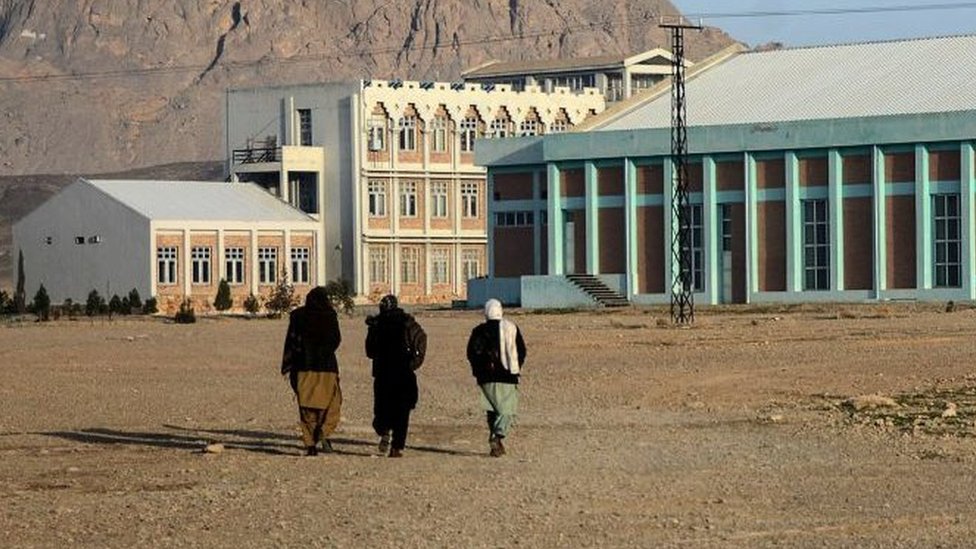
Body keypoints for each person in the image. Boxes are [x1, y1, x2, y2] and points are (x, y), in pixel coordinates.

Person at [281, 286, 343, 456]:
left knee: (307, 407)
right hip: (326, 367)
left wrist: (288, 365)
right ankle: (324, 431)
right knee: (331, 403)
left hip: (303, 368)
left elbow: (291, 342)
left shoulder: (298, 316)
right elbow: (336, 340)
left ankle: (310, 445)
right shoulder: (329, 315)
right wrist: (324, 351)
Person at [365, 294, 427, 457]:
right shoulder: (408, 323)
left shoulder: (377, 324)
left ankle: (384, 430)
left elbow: (369, 351)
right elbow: (421, 340)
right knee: (402, 411)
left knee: (382, 408)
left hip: (383, 374)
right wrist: (413, 364)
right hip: (403, 373)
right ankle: (396, 447)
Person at [466, 298, 526, 457]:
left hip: (485, 379)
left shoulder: (478, 331)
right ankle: (497, 436)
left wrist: (479, 371)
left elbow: (471, 353)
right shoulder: (511, 328)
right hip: (507, 376)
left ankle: (496, 446)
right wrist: (515, 366)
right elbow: (521, 350)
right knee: (507, 410)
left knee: (493, 410)